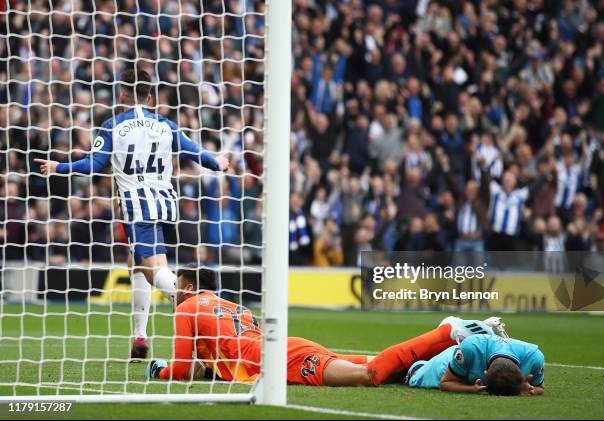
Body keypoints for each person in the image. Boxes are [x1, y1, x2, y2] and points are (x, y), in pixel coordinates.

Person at [35, 69, 229, 359]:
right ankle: (140, 337)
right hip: (165, 205)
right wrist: (218, 163)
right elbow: (194, 152)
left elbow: (94, 164)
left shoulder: (114, 125)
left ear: (122, 94)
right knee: (137, 265)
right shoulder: (165, 125)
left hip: (137, 207)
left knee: (156, 272)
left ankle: (200, 302)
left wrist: (58, 167)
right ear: (150, 96)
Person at [145, 265, 505, 387]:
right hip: (282, 349)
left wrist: (159, 372)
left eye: (176, 284)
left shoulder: (188, 306)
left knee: (371, 375)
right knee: (389, 369)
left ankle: (448, 330)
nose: (172, 291)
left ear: (190, 287)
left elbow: (180, 368)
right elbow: (214, 366)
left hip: (284, 360)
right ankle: (461, 348)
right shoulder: (231, 306)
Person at [406, 328, 545, 396]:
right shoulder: (469, 349)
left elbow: (540, 388)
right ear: (485, 372)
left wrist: (529, 390)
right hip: (454, 359)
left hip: (476, 353)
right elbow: (445, 383)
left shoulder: (535, 358)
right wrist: (472, 389)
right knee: (414, 376)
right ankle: (417, 366)